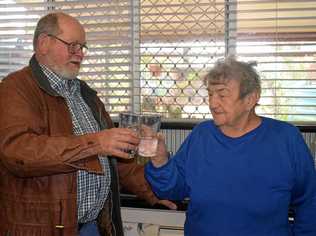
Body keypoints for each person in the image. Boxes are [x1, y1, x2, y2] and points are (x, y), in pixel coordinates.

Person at [0, 12, 176, 236]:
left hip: (92, 226)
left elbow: (114, 160)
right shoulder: (15, 89)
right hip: (42, 229)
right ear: (44, 43)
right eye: (72, 46)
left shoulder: (84, 93)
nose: (79, 55)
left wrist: (154, 192)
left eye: (82, 47)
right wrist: (95, 143)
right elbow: (18, 153)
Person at [145, 57, 316, 235]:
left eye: (222, 95)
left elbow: (310, 201)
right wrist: (160, 160)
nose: (212, 103)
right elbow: (173, 192)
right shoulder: (201, 135)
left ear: (250, 99)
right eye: (210, 94)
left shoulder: (286, 138)